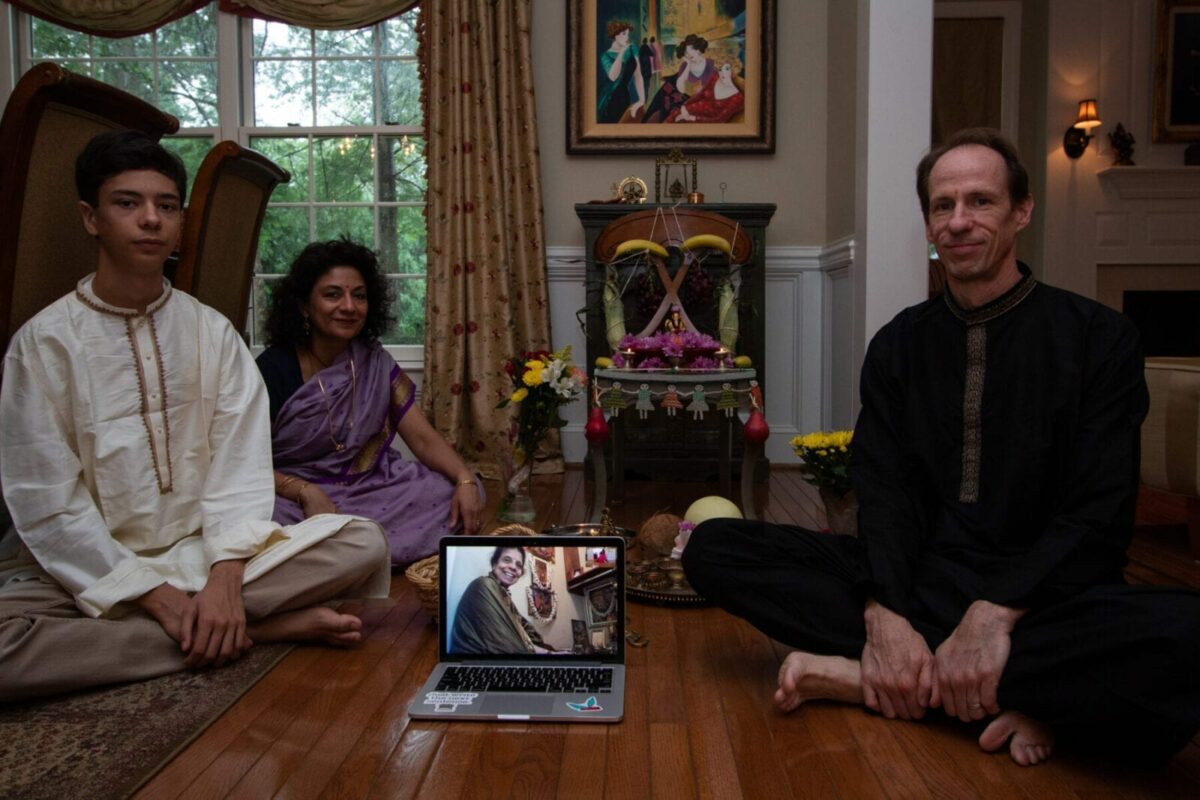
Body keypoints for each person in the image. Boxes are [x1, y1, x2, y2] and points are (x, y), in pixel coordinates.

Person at [683, 127, 1200, 767]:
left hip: (1045, 597)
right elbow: (886, 494)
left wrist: (995, 615)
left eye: (980, 202)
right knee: (714, 547)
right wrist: (886, 611)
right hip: (922, 581)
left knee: (1187, 635)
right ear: (927, 222)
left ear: (1021, 211)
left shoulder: (1100, 339)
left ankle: (865, 681)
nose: (959, 222)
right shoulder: (899, 345)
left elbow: (1098, 514)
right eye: (942, 206)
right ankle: (1019, 698)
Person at [0, 130, 391, 701]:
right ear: (91, 217)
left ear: (180, 222)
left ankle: (201, 628)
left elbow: (240, 467)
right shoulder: (43, 345)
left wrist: (225, 579)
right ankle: (255, 631)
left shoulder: (211, 332)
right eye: (127, 203)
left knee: (364, 544)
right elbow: (49, 503)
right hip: (91, 571)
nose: (151, 220)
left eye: (166, 206)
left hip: (206, 555)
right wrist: (155, 596)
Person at [256, 239, 483, 566]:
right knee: (258, 517)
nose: (348, 306)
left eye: (358, 296)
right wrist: (305, 491)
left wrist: (464, 478)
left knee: (451, 490)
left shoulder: (373, 362)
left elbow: (422, 438)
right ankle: (361, 552)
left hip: (370, 488)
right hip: (295, 496)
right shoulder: (273, 368)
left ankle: (339, 556)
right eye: (333, 294)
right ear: (304, 305)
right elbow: (250, 463)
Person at [449, 546, 561, 655]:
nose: (513, 567)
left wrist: (550, 653)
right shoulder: (483, 585)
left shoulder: (505, 597)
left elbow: (528, 636)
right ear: (494, 564)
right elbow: (511, 647)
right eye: (507, 560)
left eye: (518, 565)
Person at [642, 34, 714, 124]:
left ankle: (661, 124)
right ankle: (646, 122)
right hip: (679, 91)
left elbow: (704, 89)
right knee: (662, 94)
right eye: (687, 53)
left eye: (692, 50)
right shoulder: (685, 65)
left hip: (692, 97)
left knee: (670, 104)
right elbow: (680, 88)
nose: (689, 54)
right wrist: (688, 65)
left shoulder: (708, 64)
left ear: (699, 49)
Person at [665, 58, 744, 124]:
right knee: (673, 115)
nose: (722, 73)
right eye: (720, 69)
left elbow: (718, 119)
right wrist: (684, 106)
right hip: (689, 110)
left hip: (702, 121)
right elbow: (699, 95)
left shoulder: (737, 98)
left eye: (726, 69)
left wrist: (691, 118)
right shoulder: (714, 78)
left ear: (734, 72)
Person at [597, 19, 645, 124]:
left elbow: (638, 75)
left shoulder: (632, 48)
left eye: (627, 34)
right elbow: (613, 77)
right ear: (615, 35)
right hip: (609, 98)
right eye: (624, 34)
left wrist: (641, 100)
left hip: (624, 95)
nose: (627, 37)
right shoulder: (605, 56)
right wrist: (621, 52)